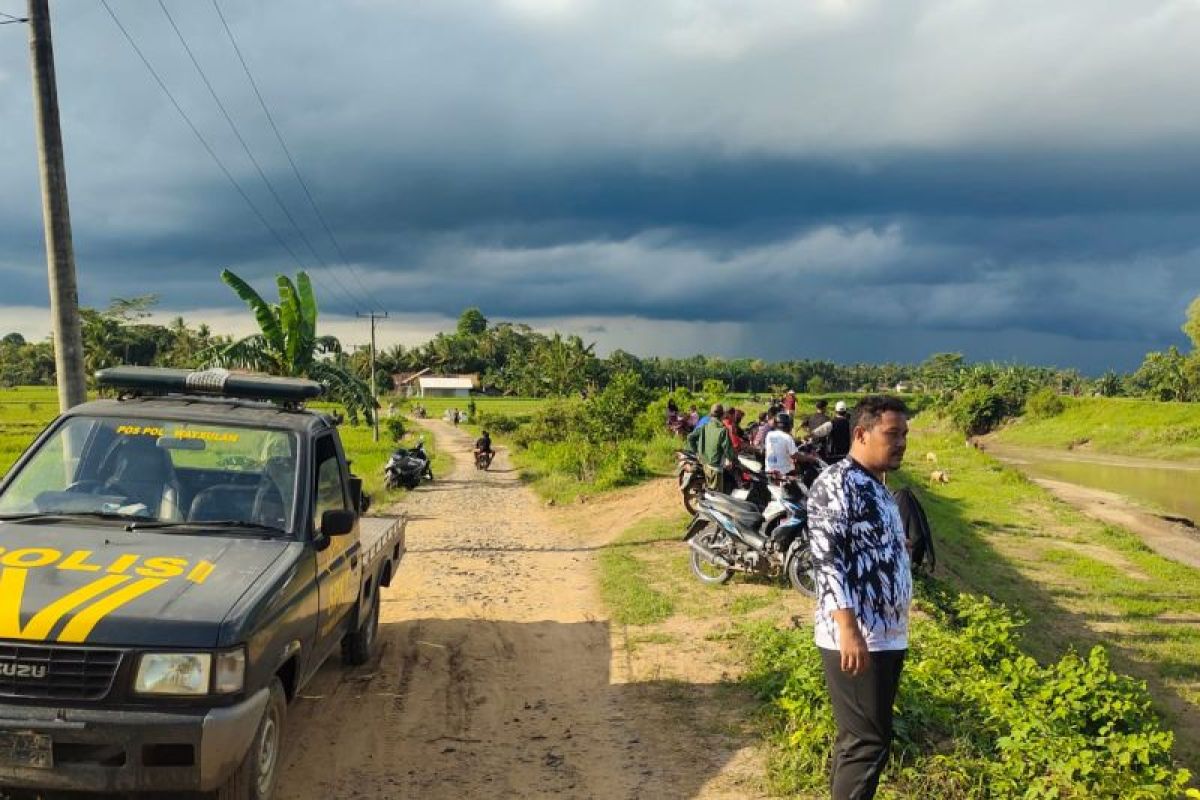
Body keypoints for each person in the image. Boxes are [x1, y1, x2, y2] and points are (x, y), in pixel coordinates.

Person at [806, 396, 911, 800]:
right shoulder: (837, 484)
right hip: (857, 638)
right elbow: (827, 561)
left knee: (859, 742)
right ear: (861, 433)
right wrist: (848, 629)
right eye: (892, 434)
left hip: (884, 637)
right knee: (867, 745)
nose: (901, 442)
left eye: (904, 434)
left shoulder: (877, 486)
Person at [687, 403, 735, 492]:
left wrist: (697, 451)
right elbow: (728, 450)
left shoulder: (704, 426)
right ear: (723, 415)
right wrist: (733, 460)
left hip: (705, 464)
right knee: (717, 497)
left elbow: (690, 437)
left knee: (711, 491)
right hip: (716, 468)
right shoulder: (722, 430)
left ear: (711, 413)